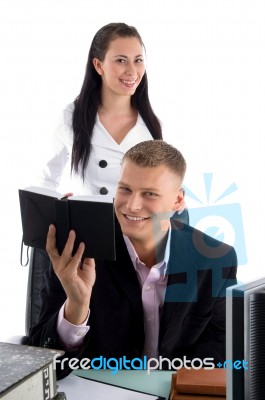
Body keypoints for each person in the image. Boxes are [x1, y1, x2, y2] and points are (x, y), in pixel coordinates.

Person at [29, 140, 237, 379]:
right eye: (125, 189)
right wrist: (77, 305)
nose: (132, 205)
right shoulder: (80, 252)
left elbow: (219, 349)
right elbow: (44, 369)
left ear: (178, 201)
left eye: (149, 194)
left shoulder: (215, 258)